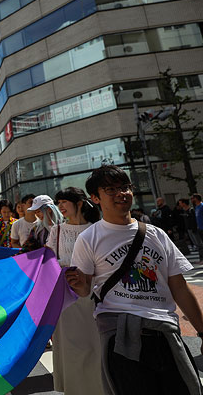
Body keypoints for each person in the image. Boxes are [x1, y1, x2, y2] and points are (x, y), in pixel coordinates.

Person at [67, 165, 203, 395]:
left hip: (166, 333)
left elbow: (179, 287)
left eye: (124, 187)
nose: (121, 193)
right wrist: (80, 286)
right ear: (95, 198)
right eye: (110, 189)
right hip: (120, 337)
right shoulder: (89, 238)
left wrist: (201, 330)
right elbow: (85, 289)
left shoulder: (156, 234)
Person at [46, 187, 103, 395]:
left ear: (79, 203)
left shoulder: (96, 228)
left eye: (64, 201)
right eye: (58, 202)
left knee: (96, 344)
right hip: (66, 297)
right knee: (71, 347)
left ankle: (99, 387)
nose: (60, 206)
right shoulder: (57, 230)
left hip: (94, 295)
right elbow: (49, 260)